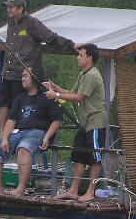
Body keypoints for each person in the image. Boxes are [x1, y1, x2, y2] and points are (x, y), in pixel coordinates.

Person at [0, 0, 75, 136]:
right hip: (7, 71)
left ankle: (17, 132)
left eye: (11, 7)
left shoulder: (32, 23)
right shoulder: (10, 23)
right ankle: (3, 131)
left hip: (23, 72)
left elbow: (51, 38)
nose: (8, 9)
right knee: (1, 101)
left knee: (18, 104)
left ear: (20, 9)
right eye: (7, 7)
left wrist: (72, 46)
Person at [43, 43, 108, 201]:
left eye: (81, 55)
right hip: (85, 123)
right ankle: (73, 190)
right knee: (79, 155)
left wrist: (56, 96)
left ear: (90, 58)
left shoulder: (93, 75)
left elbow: (79, 98)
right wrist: (55, 87)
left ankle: (90, 192)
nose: (78, 58)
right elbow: (72, 93)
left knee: (95, 158)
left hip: (96, 121)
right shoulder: (83, 74)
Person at [0, 67, 63, 196]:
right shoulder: (20, 98)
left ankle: (21, 188)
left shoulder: (47, 97)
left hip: (38, 132)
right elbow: (11, 120)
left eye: (25, 76)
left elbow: (57, 120)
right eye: (22, 76)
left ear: (34, 79)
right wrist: (4, 138)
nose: (22, 78)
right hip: (19, 131)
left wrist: (47, 137)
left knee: (24, 148)